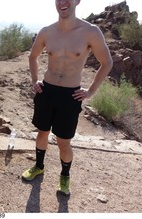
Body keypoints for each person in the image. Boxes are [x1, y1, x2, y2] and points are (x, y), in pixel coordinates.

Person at [22, 0, 113, 196]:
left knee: (64, 141)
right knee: (42, 132)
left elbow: (107, 63)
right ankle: (39, 166)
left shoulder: (90, 32)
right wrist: (35, 80)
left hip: (70, 95)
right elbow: (32, 57)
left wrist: (91, 91)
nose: (63, 2)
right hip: (46, 91)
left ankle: (64, 176)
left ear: (77, 1)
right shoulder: (47, 31)